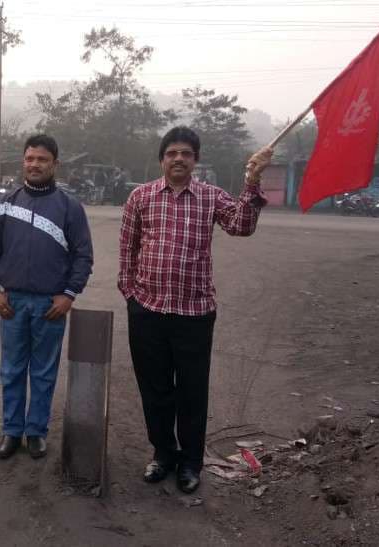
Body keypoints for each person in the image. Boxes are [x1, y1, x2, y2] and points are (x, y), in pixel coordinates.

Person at [118, 126, 272, 493]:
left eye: (186, 153)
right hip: (148, 312)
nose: (179, 159)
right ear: (162, 159)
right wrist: (130, 294)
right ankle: (163, 454)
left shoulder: (210, 197)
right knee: (154, 390)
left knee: (191, 392)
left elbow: (242, 226)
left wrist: (252, 181)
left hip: (194, 314)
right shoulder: (140, 198)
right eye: (172, 153)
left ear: (196, 160)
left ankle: (190, 463)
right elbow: (127, 249)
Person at [0, 134, 93, 460]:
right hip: (11, 302)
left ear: (54, 164)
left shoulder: (70, 207)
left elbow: (83, 256)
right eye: (30, 158)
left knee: (43, 372)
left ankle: (36, 432)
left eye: (42, 159)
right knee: (11, 370)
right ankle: (11, 431)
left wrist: (69, 295)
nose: (34, 165)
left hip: (50, 305)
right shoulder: (5, 204)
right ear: (23, 161)